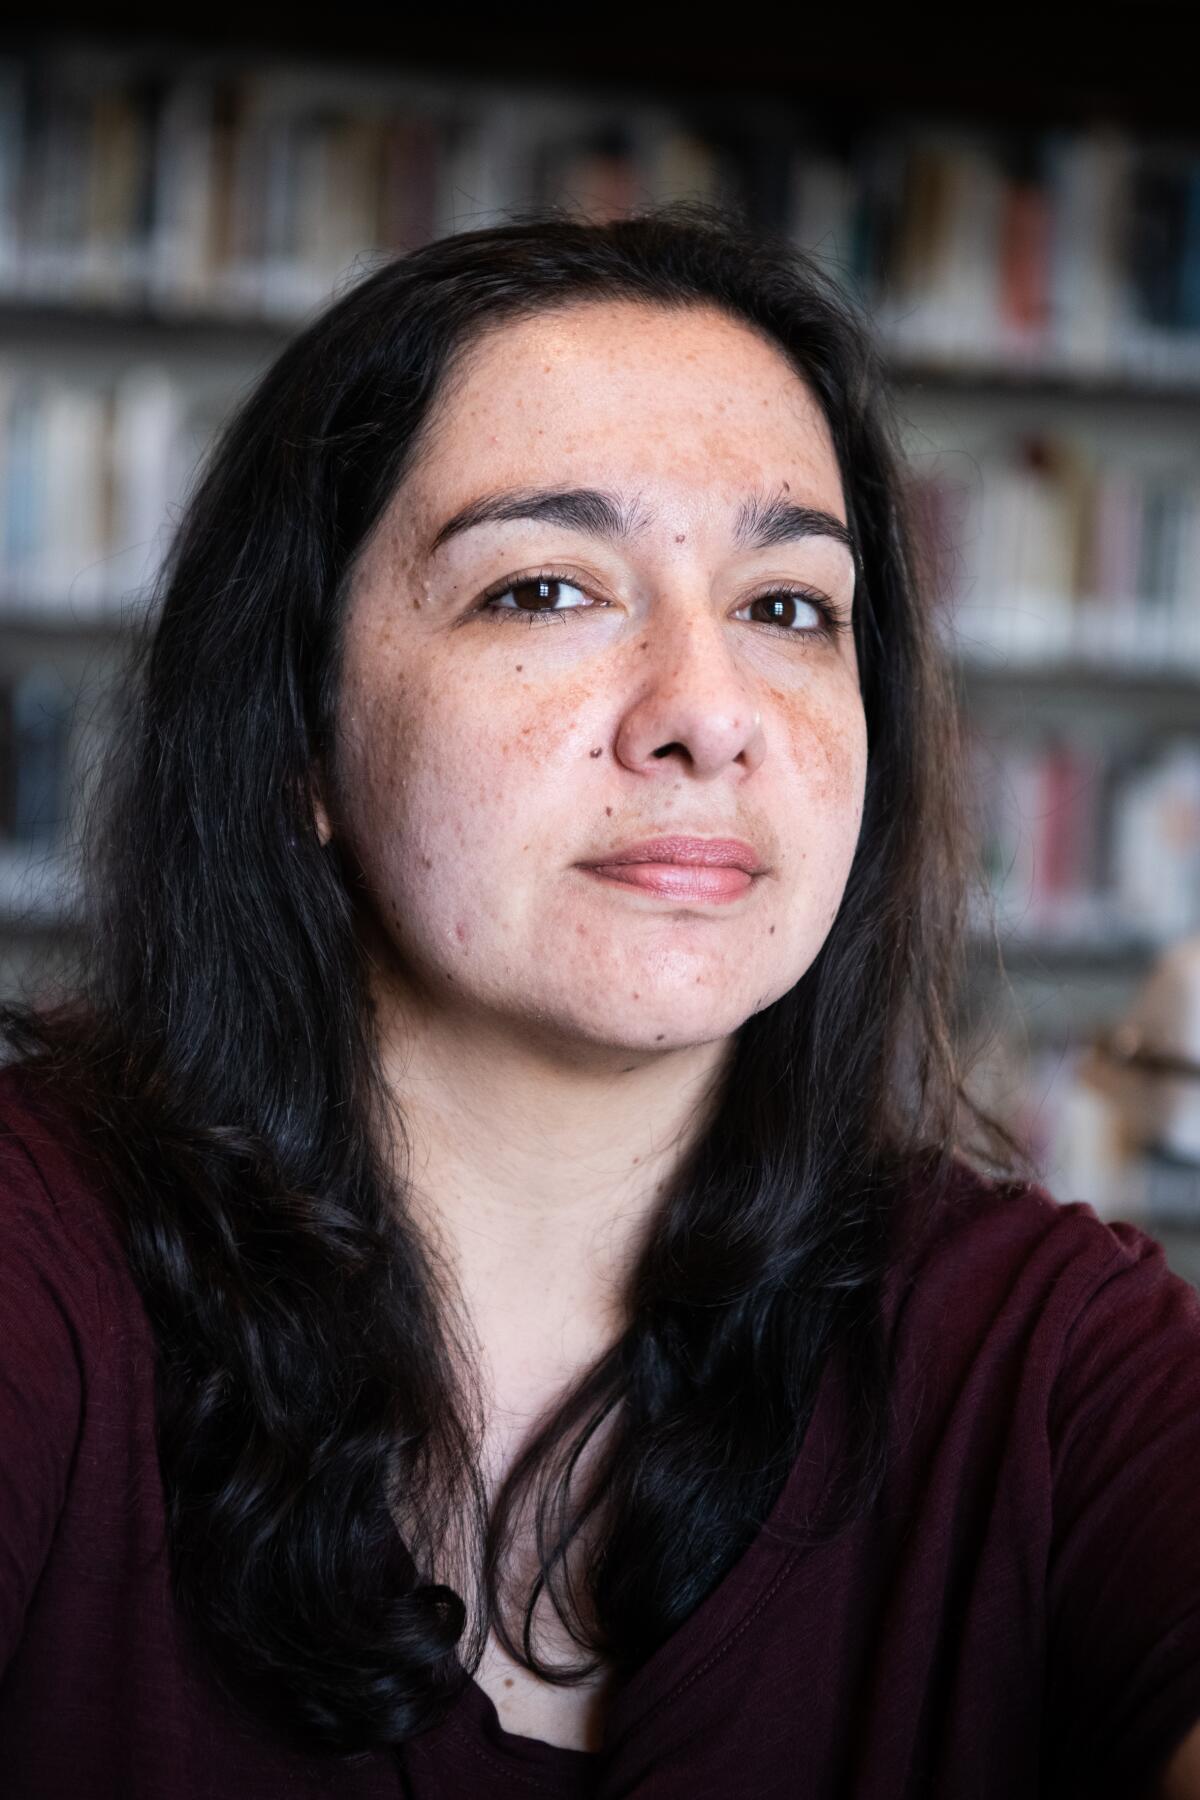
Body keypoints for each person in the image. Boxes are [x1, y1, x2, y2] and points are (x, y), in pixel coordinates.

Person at [2, 201, 1200, 1800]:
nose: (709, 715)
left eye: (790, 609)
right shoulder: (37, 1264)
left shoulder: (1046, 1358)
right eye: (547, 590)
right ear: (298, 740)